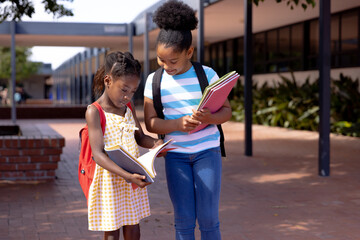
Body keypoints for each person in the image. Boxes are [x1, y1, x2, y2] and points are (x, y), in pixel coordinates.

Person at [143, 1, 232, 239]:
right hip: (175, 156)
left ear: (189, 52)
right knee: (183, 219)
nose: (166, 66)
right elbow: (151, 122)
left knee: (209, 218)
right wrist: (177, 124)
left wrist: (211, 117)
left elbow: (227, 111)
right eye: (161, 60)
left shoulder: (208, 74)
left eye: (173, 61)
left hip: (207, 152)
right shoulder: (154, 80)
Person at [86, 51, 163, 240]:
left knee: (133, 223)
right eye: (124, 89)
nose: (128, 96)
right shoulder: (94, 112)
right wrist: (127, 176)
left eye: (133, 91)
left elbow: (140, 137)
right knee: (112, 229)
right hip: (111, 179)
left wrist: (157, 144)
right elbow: (98, 154)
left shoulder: (127, 108)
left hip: (133, 176)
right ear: (108, 81)